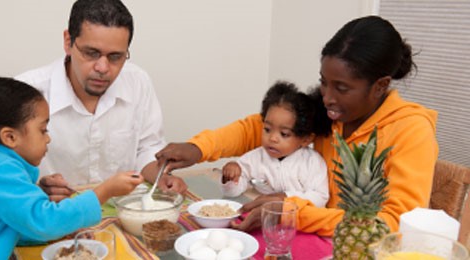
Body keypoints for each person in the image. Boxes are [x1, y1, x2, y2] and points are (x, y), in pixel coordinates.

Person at [156, 16, 438, 236]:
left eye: (341, 87)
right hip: (316, 233)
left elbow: (395, 222)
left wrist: (292, 210)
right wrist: (198, 148)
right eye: (324, 82)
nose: (327, 97)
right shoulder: (329, 111)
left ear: (380, 86)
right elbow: (255, 129)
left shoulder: (411, 130)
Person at [0, 77, 143, 259]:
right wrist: (105, 191)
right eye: (43, 130)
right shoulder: (1, 171)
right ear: (10, 137)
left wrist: (59, 223)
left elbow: (17, 223)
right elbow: (44, 221)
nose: (48, 139)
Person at [15, 0, 186, 201]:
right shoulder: (25, 93)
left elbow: (148, 147)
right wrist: (36, 189)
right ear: (68, 42)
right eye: (91, 53)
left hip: (123, 210)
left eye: (115, 57)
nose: (103, 68)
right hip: (54, 214)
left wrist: (161, 176)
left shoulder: (137, 81)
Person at [220, 81, 330, 208]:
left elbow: (320, 198)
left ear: (305, 139)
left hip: (298, 221)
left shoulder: (312, 162)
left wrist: (285, 197)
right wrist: (230, 178)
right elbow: (233, 192)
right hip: (263, 217)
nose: (272, 138)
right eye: (267, 129)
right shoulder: (255, 158)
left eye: (284, 134)